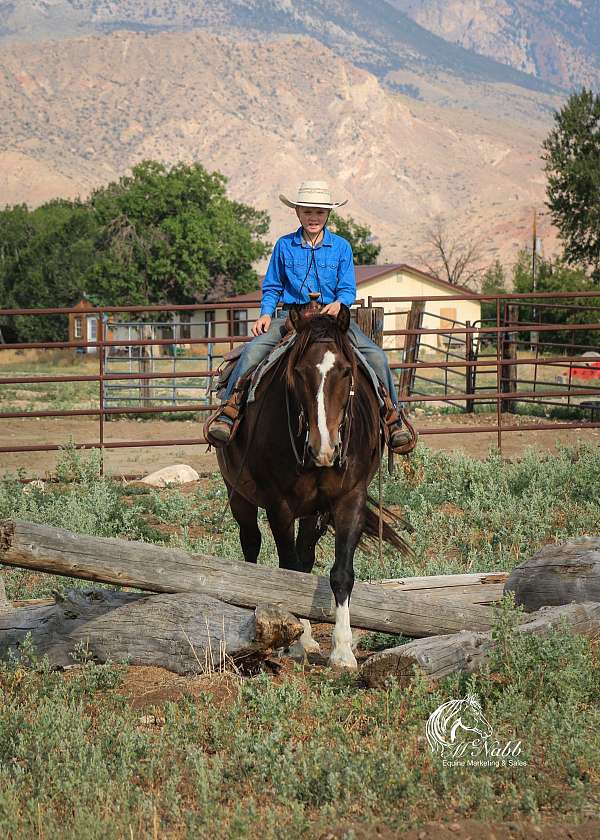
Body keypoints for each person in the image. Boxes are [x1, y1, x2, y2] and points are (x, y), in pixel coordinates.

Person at [206, 180, 410, 451]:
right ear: (297, 213)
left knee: (375, 356)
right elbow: (272, 286)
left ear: (327, 215)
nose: (313, 218)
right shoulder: (284, 245)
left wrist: (340, 303)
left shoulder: (341, 248)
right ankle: (229, 411)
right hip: (294, 318)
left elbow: (347, 288)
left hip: (331, 320)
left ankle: (393, 417)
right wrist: (266, 314)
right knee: (254, 351)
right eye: (307, 212)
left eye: (319, 212)